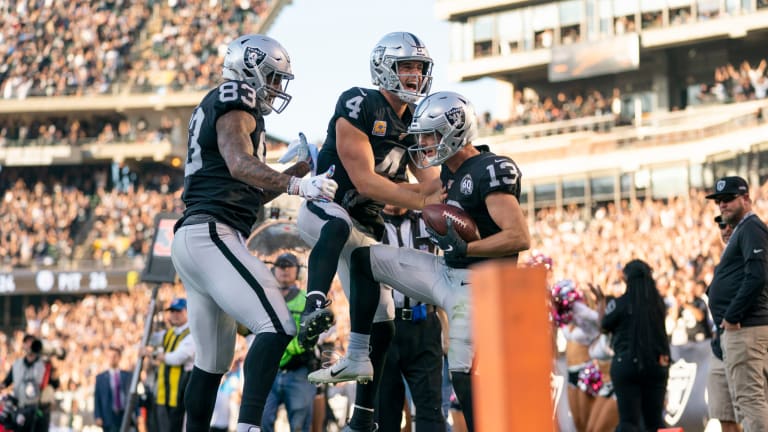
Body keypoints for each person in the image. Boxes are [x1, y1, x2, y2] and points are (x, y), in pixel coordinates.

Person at [309, 91, 531, 432]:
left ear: (453, 131)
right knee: (364, 259)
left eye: (429, 134)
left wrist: (465, 249)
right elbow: (406, 193)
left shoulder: (490, 168)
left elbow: (518, 237)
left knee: (462, 375)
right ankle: (357, 355)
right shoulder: (446, 175)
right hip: (448, 273)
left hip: (478, 285)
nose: (422, 142)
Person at [170, 33, 338, 432]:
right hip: (211, 233)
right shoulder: (236, 97)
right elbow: (237, 162)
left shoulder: (226, 107)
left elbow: (249, 185)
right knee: (278, 325)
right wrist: (296, 186)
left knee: (212, 364)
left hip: (197, 236)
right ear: (251, 70)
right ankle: (249, 427)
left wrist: (293, 172)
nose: (277, 88)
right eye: (274, 78)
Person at [294, 32, 441, 432]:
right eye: (406, 66)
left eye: (419, 68)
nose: (414, 75)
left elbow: (432, 185)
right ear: (384, 67)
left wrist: (429, 195)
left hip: (364, 229)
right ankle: (314, 305)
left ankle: (362, 419)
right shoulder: (360, 102)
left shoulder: (417, 121)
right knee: (342, 224)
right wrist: (417, 197)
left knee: (384, 319)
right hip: (325, 209)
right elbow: (364, 182)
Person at [373, 204, 445, 432]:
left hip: (423, 323)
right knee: (385, 411)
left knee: (430, 407)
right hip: (384, 325)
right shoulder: (369, 223)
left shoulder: (427, 219)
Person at [706, 176, 768, 431]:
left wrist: (732, 315)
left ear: (746, 200)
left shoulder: (751, 227)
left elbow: (757, 276)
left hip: (745, 328)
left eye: (729, 199)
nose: (722, 205)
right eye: (719, 201)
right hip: (744, 329)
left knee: (750, 402)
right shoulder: (745, 230)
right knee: (747, 404)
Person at [596, 259, 670, 431]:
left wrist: (601, 303)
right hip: (655, 364)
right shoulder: (659, 303)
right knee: (654, 422)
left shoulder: (620, 304)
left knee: (629, 422)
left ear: (626, 280)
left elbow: (603, 326)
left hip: (626, 363)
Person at [262, 253, 318, 432]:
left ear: (298, 271)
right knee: (261, 422)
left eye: (289, 265)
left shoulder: (307, 300)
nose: (285, 269)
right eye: (281, 265)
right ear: (273, 269)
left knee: (299, 426)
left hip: (299, 370)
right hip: (269, 369)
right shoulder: (265, 298)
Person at [707, 214, 741, 432]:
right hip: (720, 348)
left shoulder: (756, 257)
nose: (725, 228)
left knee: (753, 414)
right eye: (721, 224)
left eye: (730, 224)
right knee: (724, 416)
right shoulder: (722, 261)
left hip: (746, 344)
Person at [142, 298, 195, 432]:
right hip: (164, 393)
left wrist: (152, 353)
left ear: (187, 312)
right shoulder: (169, 333)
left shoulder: (192, 334)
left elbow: (176, 358)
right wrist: (150, 316)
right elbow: (150, 337)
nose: (174, 314)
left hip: (179, 394)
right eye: (172, 311)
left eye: (178, 311)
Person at [0, 335, 60, 432]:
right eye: (27, 343)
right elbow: (6, 382)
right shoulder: (17, 364)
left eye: (32, 343)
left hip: (40, 411)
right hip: (21, 410)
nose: (29, 346)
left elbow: (55, 384)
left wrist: (53, 367)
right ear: (23, 345)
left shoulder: (45, 365)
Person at [94, 346, 132, 432]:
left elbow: (132, 396)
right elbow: (97, 398)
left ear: (119, 357)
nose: (112, 359)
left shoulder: (127, 376)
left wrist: (137, 414)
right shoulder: (101, 378)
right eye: (110, 356)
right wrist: (97, 416)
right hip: (108, 416)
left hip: (124, 414)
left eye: (114, 356)